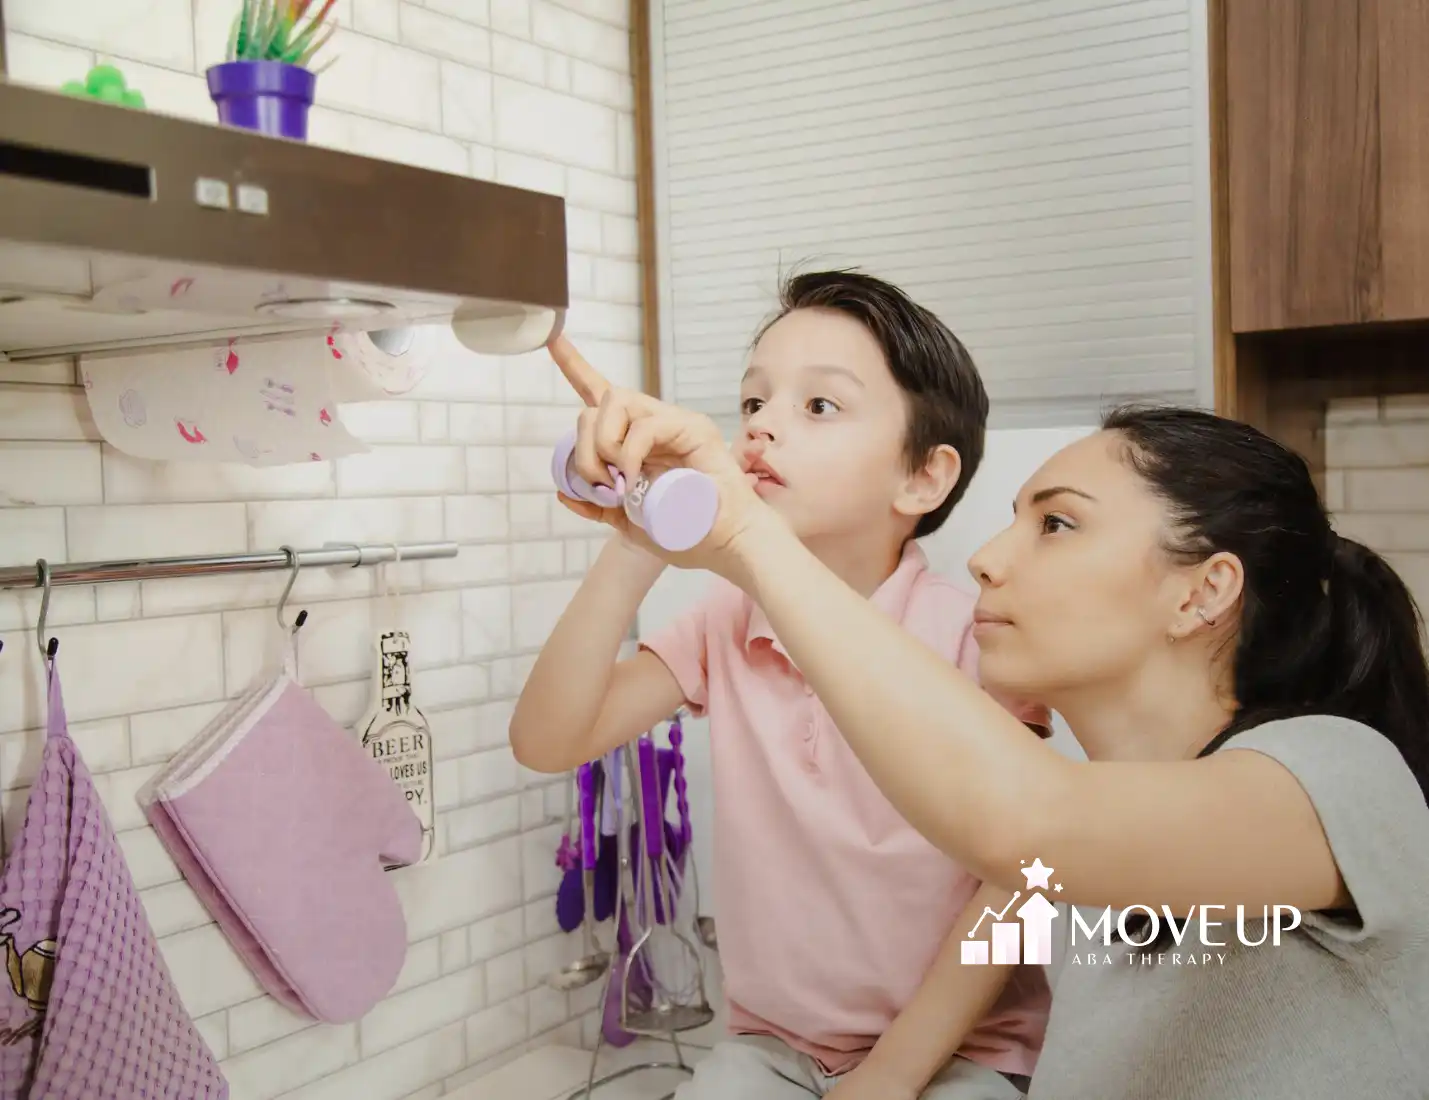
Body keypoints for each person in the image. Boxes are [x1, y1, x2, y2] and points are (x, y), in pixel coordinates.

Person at [547, 338, 1429, 1100]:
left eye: (1055, 525)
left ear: (1203, 590)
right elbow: (1027, 875)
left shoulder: (1336, 775)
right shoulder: (1083, 860)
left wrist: (742, 535)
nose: (985, 558)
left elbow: (1026, 830)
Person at [511, 271, 1052, 1100]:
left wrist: (894, 1076)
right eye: (753, 403)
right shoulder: (726, 620)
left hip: (962, 1051)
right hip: (770, 1048)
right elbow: (549, 739)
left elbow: (1022, 882)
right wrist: (639, 535)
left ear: (922, 479)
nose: (761, 430)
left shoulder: (974, 639)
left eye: (818, 407)